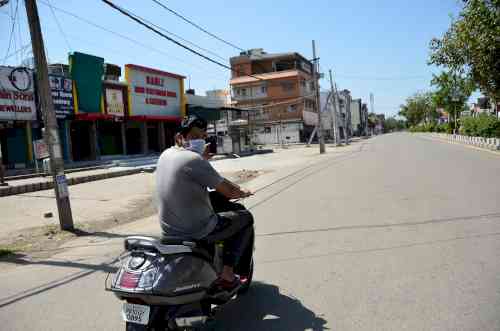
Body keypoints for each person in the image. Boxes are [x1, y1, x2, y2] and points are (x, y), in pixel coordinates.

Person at [156, 115, 254, 292]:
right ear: (180, 137)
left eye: (202, 137)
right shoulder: (193, 160)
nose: (200, 141)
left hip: (168, 228)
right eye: (194, 137)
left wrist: (202, 159)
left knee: (216, 201)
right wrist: (242, 192)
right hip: (195, 229)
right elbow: (228, 191)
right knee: (245, 217)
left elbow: (193, 177)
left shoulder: (166, 154)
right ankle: (228, 273)